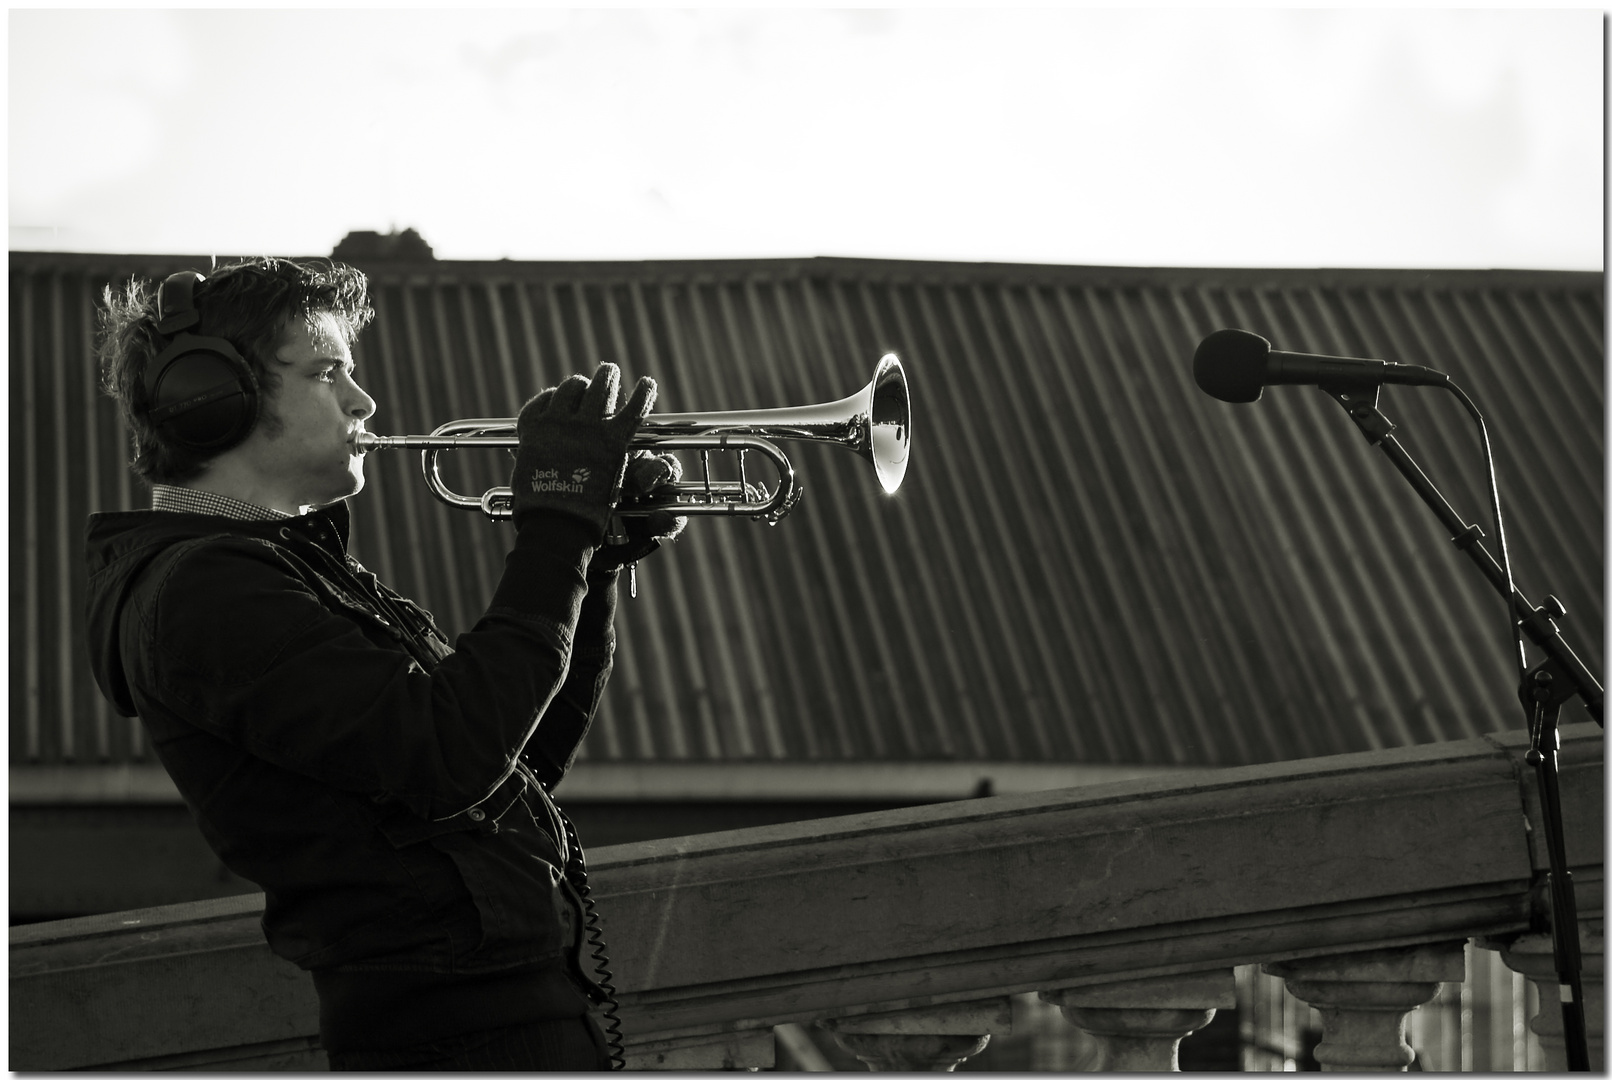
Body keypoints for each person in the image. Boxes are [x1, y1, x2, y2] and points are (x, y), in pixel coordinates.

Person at [84, 256, 683, 1071]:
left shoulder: (286, 566)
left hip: (504, 1008)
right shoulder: (206, 592)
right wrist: (556, 527)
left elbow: (514, 764)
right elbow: (452, 753)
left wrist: (595, 558)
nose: (364, 401)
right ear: (212, 399)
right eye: (328, 372)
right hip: (449, 1033)